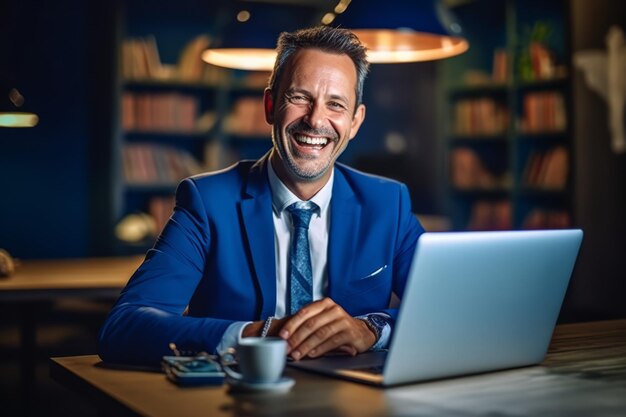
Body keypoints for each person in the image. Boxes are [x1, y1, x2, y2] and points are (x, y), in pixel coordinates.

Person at [98, 26, 424, 366]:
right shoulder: (207, 202)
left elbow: (450, 309)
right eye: (299, 98)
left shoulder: (388, 204)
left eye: (336, 104)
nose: (315, 120)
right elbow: (124, 327)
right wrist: (260, 335)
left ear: (355, 122)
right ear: (270, 106)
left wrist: (369, 328)